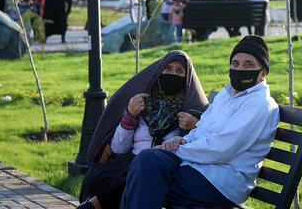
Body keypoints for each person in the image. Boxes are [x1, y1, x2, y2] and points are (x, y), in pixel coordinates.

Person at [120, 35, 280, 209]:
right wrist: (182, 141)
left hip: (222, 183)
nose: (240, 69)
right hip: (199, 167)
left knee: (145, 175)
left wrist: (178, 149)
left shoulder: (258, 104)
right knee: (146, 159)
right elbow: (202, 128)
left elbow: (221, 149)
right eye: (235, 63)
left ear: (263, 72)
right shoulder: (227, 95)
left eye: (248, 64)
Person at [78, 51, 208, 209]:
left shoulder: (192, 109)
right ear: (159, 71)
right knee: (98, 178)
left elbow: (204, 141)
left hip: (162, 166)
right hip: (129, 160)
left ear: (187, 78)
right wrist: (130, 115)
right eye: (168, 69)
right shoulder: (143, 102)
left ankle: (95, 204)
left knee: (137, 176)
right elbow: (118, 149)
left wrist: (197, 125)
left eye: (179, 71)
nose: (172, 74)